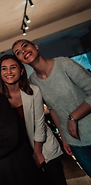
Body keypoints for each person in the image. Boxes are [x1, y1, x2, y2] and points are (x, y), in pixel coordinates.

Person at [12, 39, 91, 177]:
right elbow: (52, 109)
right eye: (18, 52)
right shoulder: (33, 82)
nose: (23, 51)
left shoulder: (64, 64)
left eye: (25, 46)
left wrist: (73, 117)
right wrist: (63, 137)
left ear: (35, 46)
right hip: (75, 141)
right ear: (21, 61)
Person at [0, 54, 66, 185]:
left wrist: (37, 152)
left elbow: (39, 123)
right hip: (21, 153)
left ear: (21, 70)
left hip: (43, 147)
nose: (9, 72)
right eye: (4, 68)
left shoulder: (33, 90)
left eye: (13, 67)